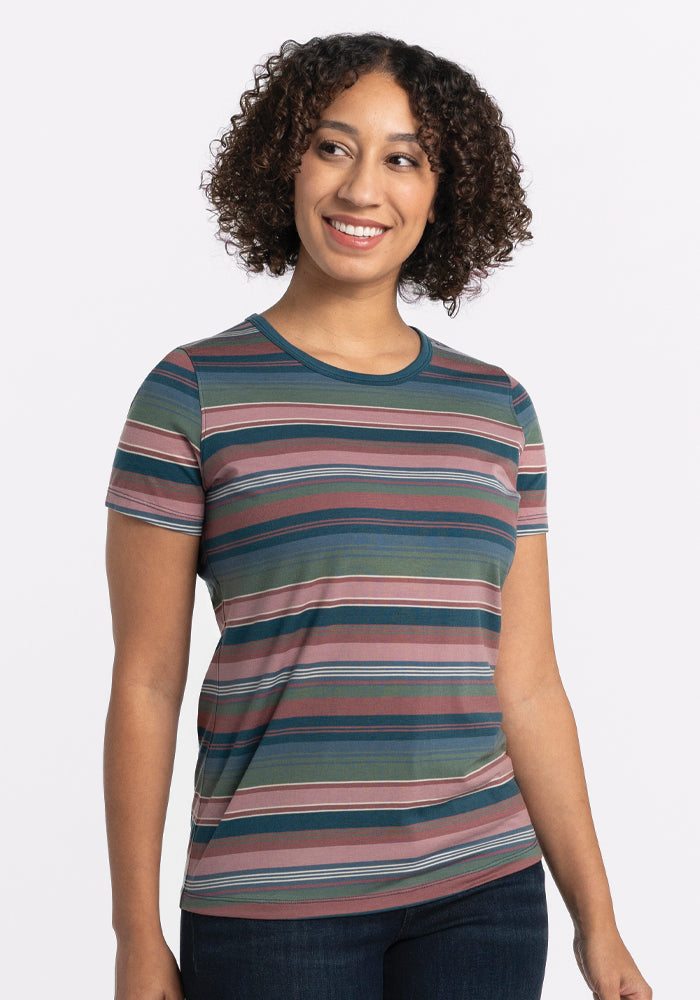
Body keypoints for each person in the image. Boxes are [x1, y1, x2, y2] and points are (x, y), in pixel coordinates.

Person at [104, 32, 652, 1000]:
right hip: (272, 908)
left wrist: (595, 920)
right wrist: (135, 934)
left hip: (482, 893)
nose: (364, 187)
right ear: (284, 162)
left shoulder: (497, 409)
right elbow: (147, 681)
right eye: (332, 145)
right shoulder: (192, 391)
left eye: (403, 157)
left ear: (442, 194)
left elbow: (525, 683)